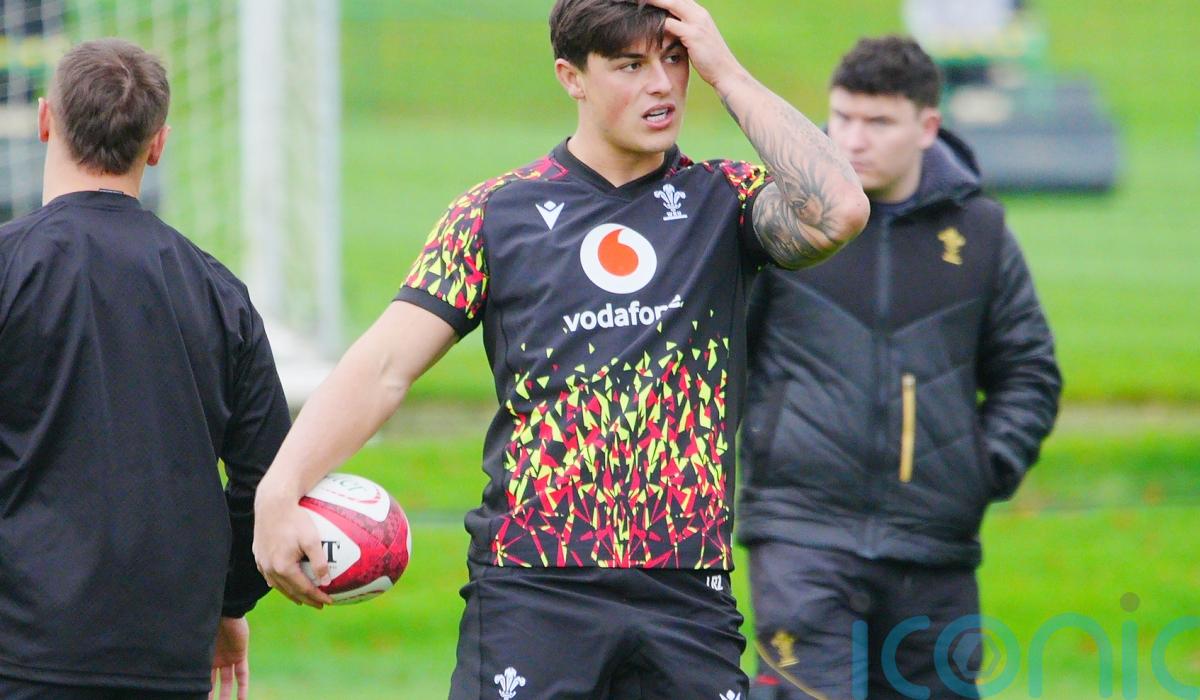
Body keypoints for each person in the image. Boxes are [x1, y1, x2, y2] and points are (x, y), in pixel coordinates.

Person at [252, 0, 868, 697]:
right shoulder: (494, 213)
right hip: (532, 587)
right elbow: (384, 367)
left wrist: (726, 71)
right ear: (571, 76)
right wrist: (280, 487)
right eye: (630, 65)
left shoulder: (725, 199)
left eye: (674, 60)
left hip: (687, 591)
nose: (661, 85)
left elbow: (840, 209)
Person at [738, 36, 1061, 700]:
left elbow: (1028, 371)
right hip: (799, 535)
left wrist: (978, 470)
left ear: (927, 126)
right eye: (842, 117)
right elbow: (718, 361)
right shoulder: (783, 223)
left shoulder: (980, 234)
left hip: (933, 546)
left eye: (879, 121)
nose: (853, 139)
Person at [0, 39, 288, 700]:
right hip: (166, 660)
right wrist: (227, 602)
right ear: (157, 144)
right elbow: (267, 481)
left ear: (45, 121)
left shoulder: (9, 269)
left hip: (19, 653)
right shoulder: (219, 294)